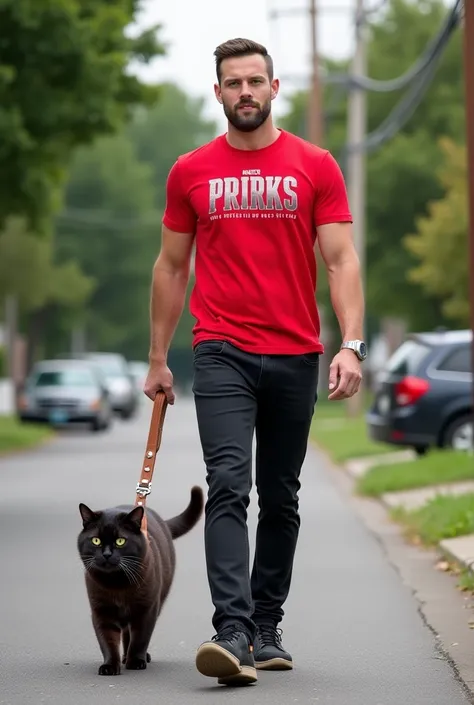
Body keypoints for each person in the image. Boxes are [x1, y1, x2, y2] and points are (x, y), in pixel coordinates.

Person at [144, 37, 366, 687]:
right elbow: (172, 265)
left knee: (283, 494)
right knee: (230, 483)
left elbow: (341, 259)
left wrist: (351, 342)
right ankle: (232, 628)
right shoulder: (191, 170)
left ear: (274, 88)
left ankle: (266, 624)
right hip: (220, 349)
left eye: (255, 81)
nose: (245, 92)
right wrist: (159, 357)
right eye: (232, 83)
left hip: (295, 350)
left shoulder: (315, 165)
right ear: (218, 93)